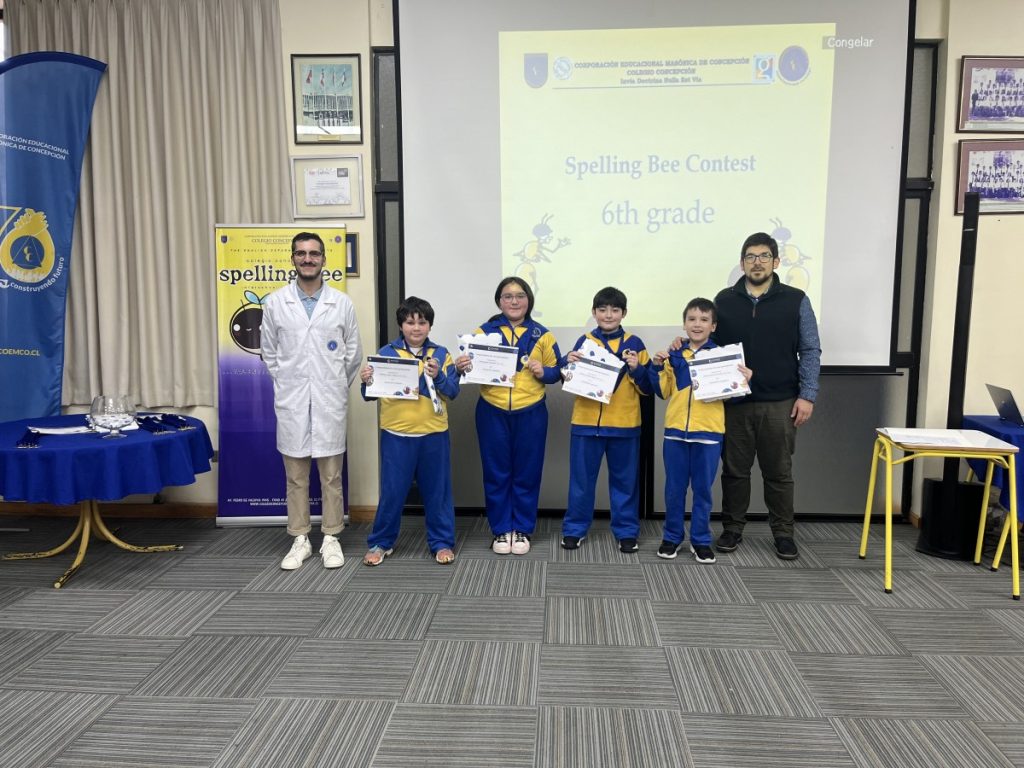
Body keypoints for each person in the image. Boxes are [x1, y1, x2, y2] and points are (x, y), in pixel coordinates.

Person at [713, 232, 821, 560]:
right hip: (735, 403)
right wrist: (682, 345)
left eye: (763, 256)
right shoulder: (724, 300)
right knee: (734, 472)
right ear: (742, 263)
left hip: (781, 403)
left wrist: (808, 395)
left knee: (778, 474)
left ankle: (783, 534)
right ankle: (732, 528)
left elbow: (810, 349)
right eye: (750, 256)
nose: (756, 262)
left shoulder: (796, 299)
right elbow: (711, 347)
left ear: (776, 262)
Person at [260, 231, 362, 570]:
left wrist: (331, 385)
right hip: (292, 402)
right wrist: (290, 383)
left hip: (329, 400)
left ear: (323, 259)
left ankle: (331, 537)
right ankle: (300, 538)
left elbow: (352, 355)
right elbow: (270, 353)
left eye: (314, 253)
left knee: (331, 477)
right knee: (296, 478)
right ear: (292, 258)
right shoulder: (276, 303)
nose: (308, 259)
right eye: (301, 253)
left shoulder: (341, 304)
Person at [454, 277, 562, 555]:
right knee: (496, 472)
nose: (514, 301)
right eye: (508, 296)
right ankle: (501, 529)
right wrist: (461, 366)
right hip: (492, 410)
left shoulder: (543, 335)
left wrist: (544, 372)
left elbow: (557, 372)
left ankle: (522, 528)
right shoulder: (483, 332)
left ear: (529, 300)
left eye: (520, 295)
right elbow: (468, 367)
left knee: (527, 472)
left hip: (531, 411)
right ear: (499, 301)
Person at [359, 297, 459, 566]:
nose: (416, 328)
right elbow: (368, 395)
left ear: (430, 326)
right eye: (410, 322)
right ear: (401, 325)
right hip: (396, 435)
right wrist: (366, 381)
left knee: (437, 493)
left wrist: (438, 376)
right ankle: (381, 542)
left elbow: (453, 391)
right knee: (392, 492)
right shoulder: (386, 352)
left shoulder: (441, 354)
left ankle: (441, 542)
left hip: (434, 434)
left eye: (422, 322)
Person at [652, 298, 752, 563]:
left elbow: (734, 398)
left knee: (703, 491)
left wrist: (744, 382)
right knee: (674, 490)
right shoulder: (675, 355)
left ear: (713, 326)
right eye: (692, 319)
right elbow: (662, 391)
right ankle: (672, 537)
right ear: (684, 324)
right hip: (675, 433)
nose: (697, 324)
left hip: (708, 435)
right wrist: (657, 366)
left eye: (704, 320)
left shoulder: (723, 357)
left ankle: (700, 540)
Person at [560, 287, 653, 553]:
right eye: (602, 310)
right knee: (581, 482)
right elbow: (569, 377)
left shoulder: (635, 344)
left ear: (624, 313)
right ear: (594, 312)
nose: (608, 315)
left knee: (625, 483)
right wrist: (568, 365)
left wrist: (637, 369)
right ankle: (574, 529)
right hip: (586, 424)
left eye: (615, 310)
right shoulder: (585, 341)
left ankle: (626, 531)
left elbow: (648, 388)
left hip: (625, 426)